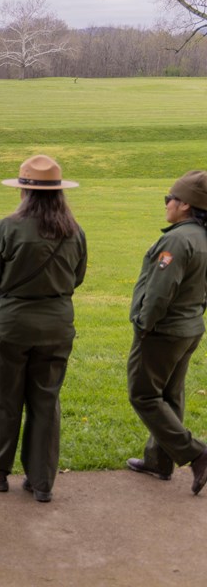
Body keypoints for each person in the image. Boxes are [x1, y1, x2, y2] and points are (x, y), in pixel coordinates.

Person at [0, 155, 87, 503]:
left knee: (4, 398)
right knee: (46, 401)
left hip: (9, 325)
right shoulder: (74, 232)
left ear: (24, 191)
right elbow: (77, 278)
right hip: (56, 325)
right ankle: (41, 481)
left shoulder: (5, 228)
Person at [126, 170, 207, 494]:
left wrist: (145, 323)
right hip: (190, 328)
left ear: (185, 205)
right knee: (170, 395)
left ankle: (197, 453)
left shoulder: (177, 239)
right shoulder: (202, 238)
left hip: (163, 330)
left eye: (168, 199)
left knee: (143, 395)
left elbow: (160, 291)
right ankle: (159, 461)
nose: (166, 205)